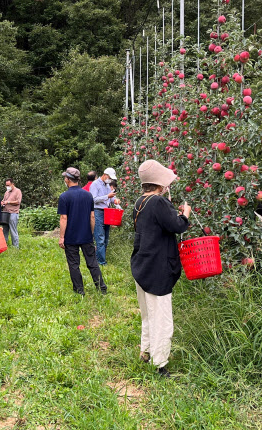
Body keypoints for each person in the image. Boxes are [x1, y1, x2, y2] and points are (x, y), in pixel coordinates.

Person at [131, 159, 190, 378]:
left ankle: (145, 352)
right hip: (158, 267)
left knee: (148, 314)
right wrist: (185, 214)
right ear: (160, 183)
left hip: (142, 264)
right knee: (162, 318)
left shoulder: (140, 202)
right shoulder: (158, 202)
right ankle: (160, 364)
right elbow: (177, 226)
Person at [57, 167, 107, 296]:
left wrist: (61, 237)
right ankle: (101, 287)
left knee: (74, 264)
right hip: (86, 235)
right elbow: (92, 216)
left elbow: (63, 218)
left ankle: (80, 290)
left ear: (68, 179)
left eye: (65, 177)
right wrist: (90, 233)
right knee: (92, 262)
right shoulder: (88, 195)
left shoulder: (64, 197)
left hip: (70, 236)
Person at [89, 167, 121, 265]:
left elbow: (110, 198)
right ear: (105, 175)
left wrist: (115, 200)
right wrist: (107, 197)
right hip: (98, 211)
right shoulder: (95, 184)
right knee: (100, 237)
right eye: (110, 177)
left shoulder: (107, 185)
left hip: (107, 211)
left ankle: (100, 258)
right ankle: (101, 262)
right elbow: (93, 200)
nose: (110, 180)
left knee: (106, 237)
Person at [1, 178, 22, 248]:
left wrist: (9, 202)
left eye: (9, 185)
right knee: (5, 230)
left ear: (13, 184)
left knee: (13, 230)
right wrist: (2, 202)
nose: (7, 187)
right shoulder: (6, 192)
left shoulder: (18, 191)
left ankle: (15, 247)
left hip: (13, 213)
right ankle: (4, 246)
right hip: (5, 213)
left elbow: (18, 201)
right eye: (6, 185)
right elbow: (4, 200)